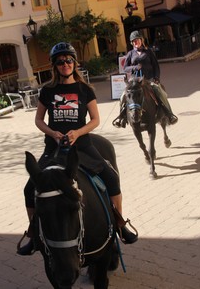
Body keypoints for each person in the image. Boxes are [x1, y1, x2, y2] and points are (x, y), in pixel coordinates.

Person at [17, 42, 138, 256]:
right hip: (54, 149)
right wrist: (53, 133)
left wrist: (77, 133)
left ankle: (120, 223)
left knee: (111, 176)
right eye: (61, 61)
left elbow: (95, 120)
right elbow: (38, 119)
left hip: (81, 146)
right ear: (55, 66)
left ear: (75, 63)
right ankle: (34, 233)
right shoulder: (48, 91)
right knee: (29, 189)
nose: (65, 64)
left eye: (69, 60)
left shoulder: (84, 90)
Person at [113, 31, 178, 128]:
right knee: (123, 95)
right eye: (134, 41)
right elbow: (125, 68)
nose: (136, 42)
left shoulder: (148, 52)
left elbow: (156, 65)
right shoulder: (130, 54)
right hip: (135, 81)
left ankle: (169, 114)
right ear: (132, 43)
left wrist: (156, 77)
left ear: (141, 40)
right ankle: (122, 118)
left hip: (149, 79)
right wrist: (134, 67)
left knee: (160, 92)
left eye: (137, 40)